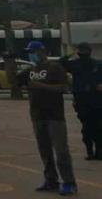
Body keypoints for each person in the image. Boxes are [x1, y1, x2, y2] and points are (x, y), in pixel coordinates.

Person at [17, 41, 77, 196]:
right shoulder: (30, 70)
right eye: (29, 52)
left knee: (61, 150)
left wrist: (41, 86)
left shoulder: (55, 68)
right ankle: (51, 180)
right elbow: (14, 82)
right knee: (45, 151)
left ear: (43, 51)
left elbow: (63, 87)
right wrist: (9, 62)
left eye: (34, 51)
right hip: (37, 115)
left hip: (55, 115)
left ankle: (69, 182)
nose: (31, 54)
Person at [61, 42, 102, 160]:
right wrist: (69, 54)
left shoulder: (98, 64)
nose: (83, 52)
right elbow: (60, 63)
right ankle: (90, 151)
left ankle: (99, 152)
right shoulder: (75, 65)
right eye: (81, 50)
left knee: (98, 128)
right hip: (82, 101)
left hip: (97, 101)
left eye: (85, 50)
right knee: (86, 128)